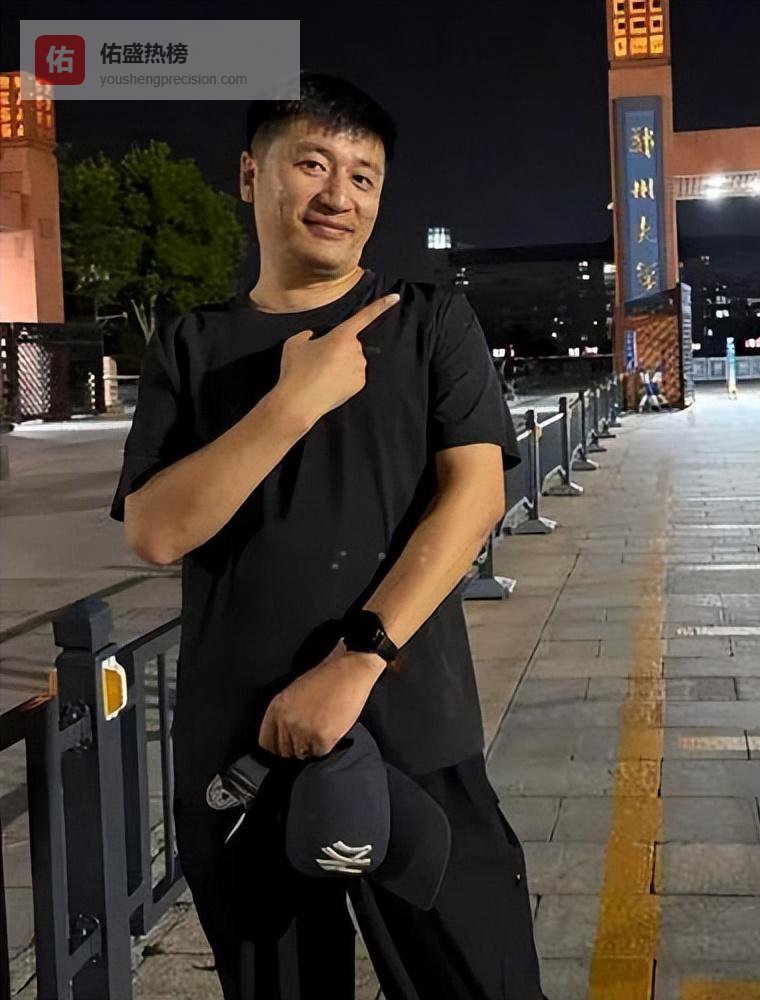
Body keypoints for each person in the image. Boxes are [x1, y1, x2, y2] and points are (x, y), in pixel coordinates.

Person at [110, 73, 546, 1000]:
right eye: (311, 164)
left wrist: (358, 661)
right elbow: (156, 531)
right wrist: (293, 403)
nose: (338, 195)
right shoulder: (191, 345)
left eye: (363, 175)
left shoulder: (430, 320)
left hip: (412, 726)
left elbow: (474, 499)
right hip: (243, 749)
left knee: (482, 978)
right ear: (250, 175)